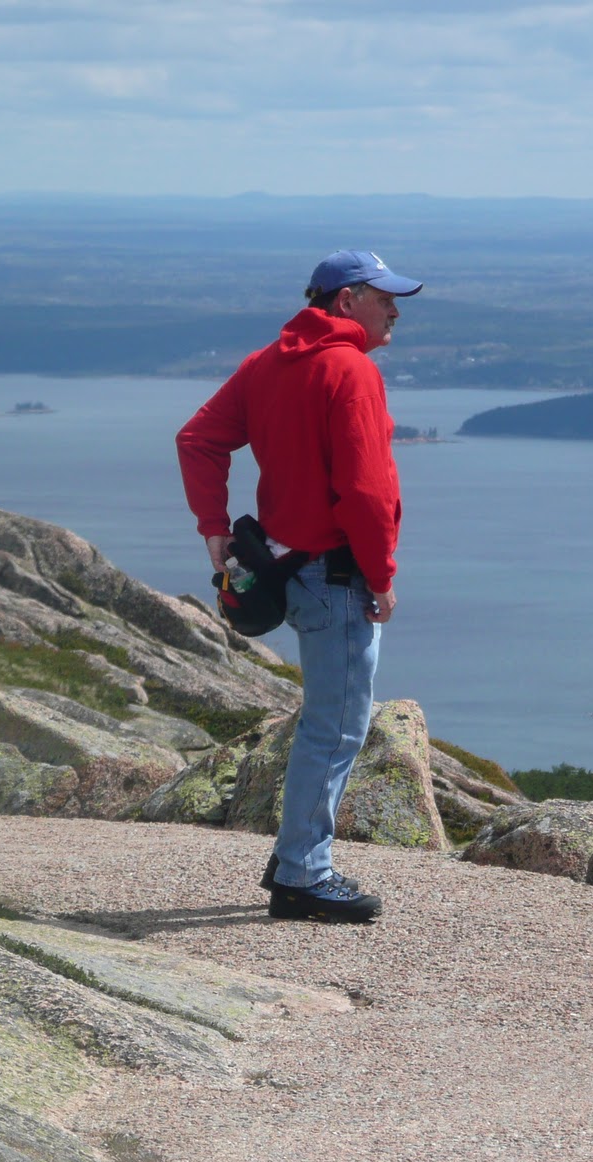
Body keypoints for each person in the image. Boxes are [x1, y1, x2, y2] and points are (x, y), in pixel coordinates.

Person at [175, 249, 422, 923]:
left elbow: (198, 439)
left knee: (325, 722)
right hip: (337, 576)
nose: (397, 309)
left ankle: (296, 857)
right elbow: (365, 492)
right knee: (336, 729)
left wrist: (213, 531)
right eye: (385, 297)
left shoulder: (268, 364)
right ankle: (303, 875)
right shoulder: (350, 371)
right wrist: (382, 576)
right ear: (346, 303)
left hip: (287, 571)